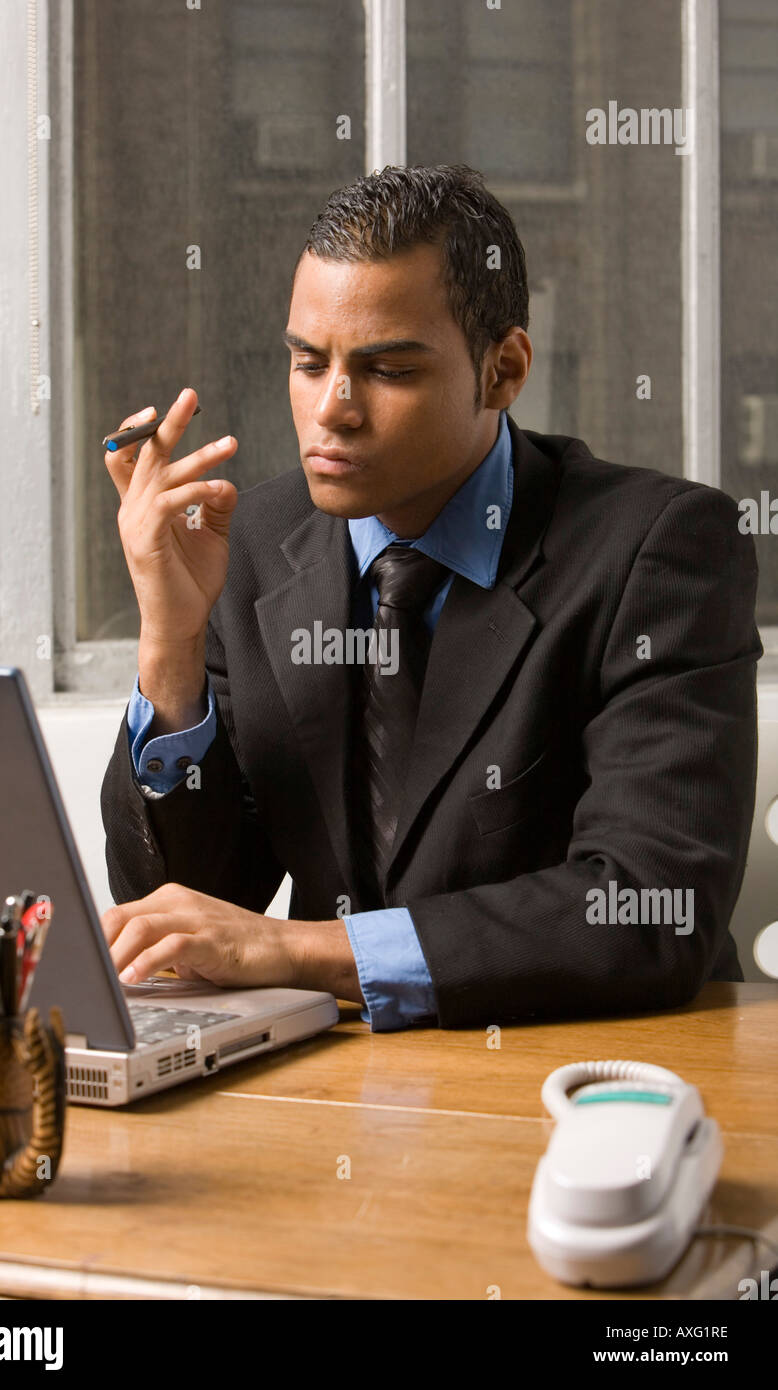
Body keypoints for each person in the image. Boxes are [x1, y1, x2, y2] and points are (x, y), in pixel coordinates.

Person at [99, 163, 760, 1030]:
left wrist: (305, 952)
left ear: (504, 369)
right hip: (339, 1089)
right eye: (307, 362)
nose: (332, 409)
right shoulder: (251, 545)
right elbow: (185, 913)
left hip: (591, 1073)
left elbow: (648, 907)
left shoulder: (660, 548)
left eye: (388, 370)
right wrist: (170, 643)